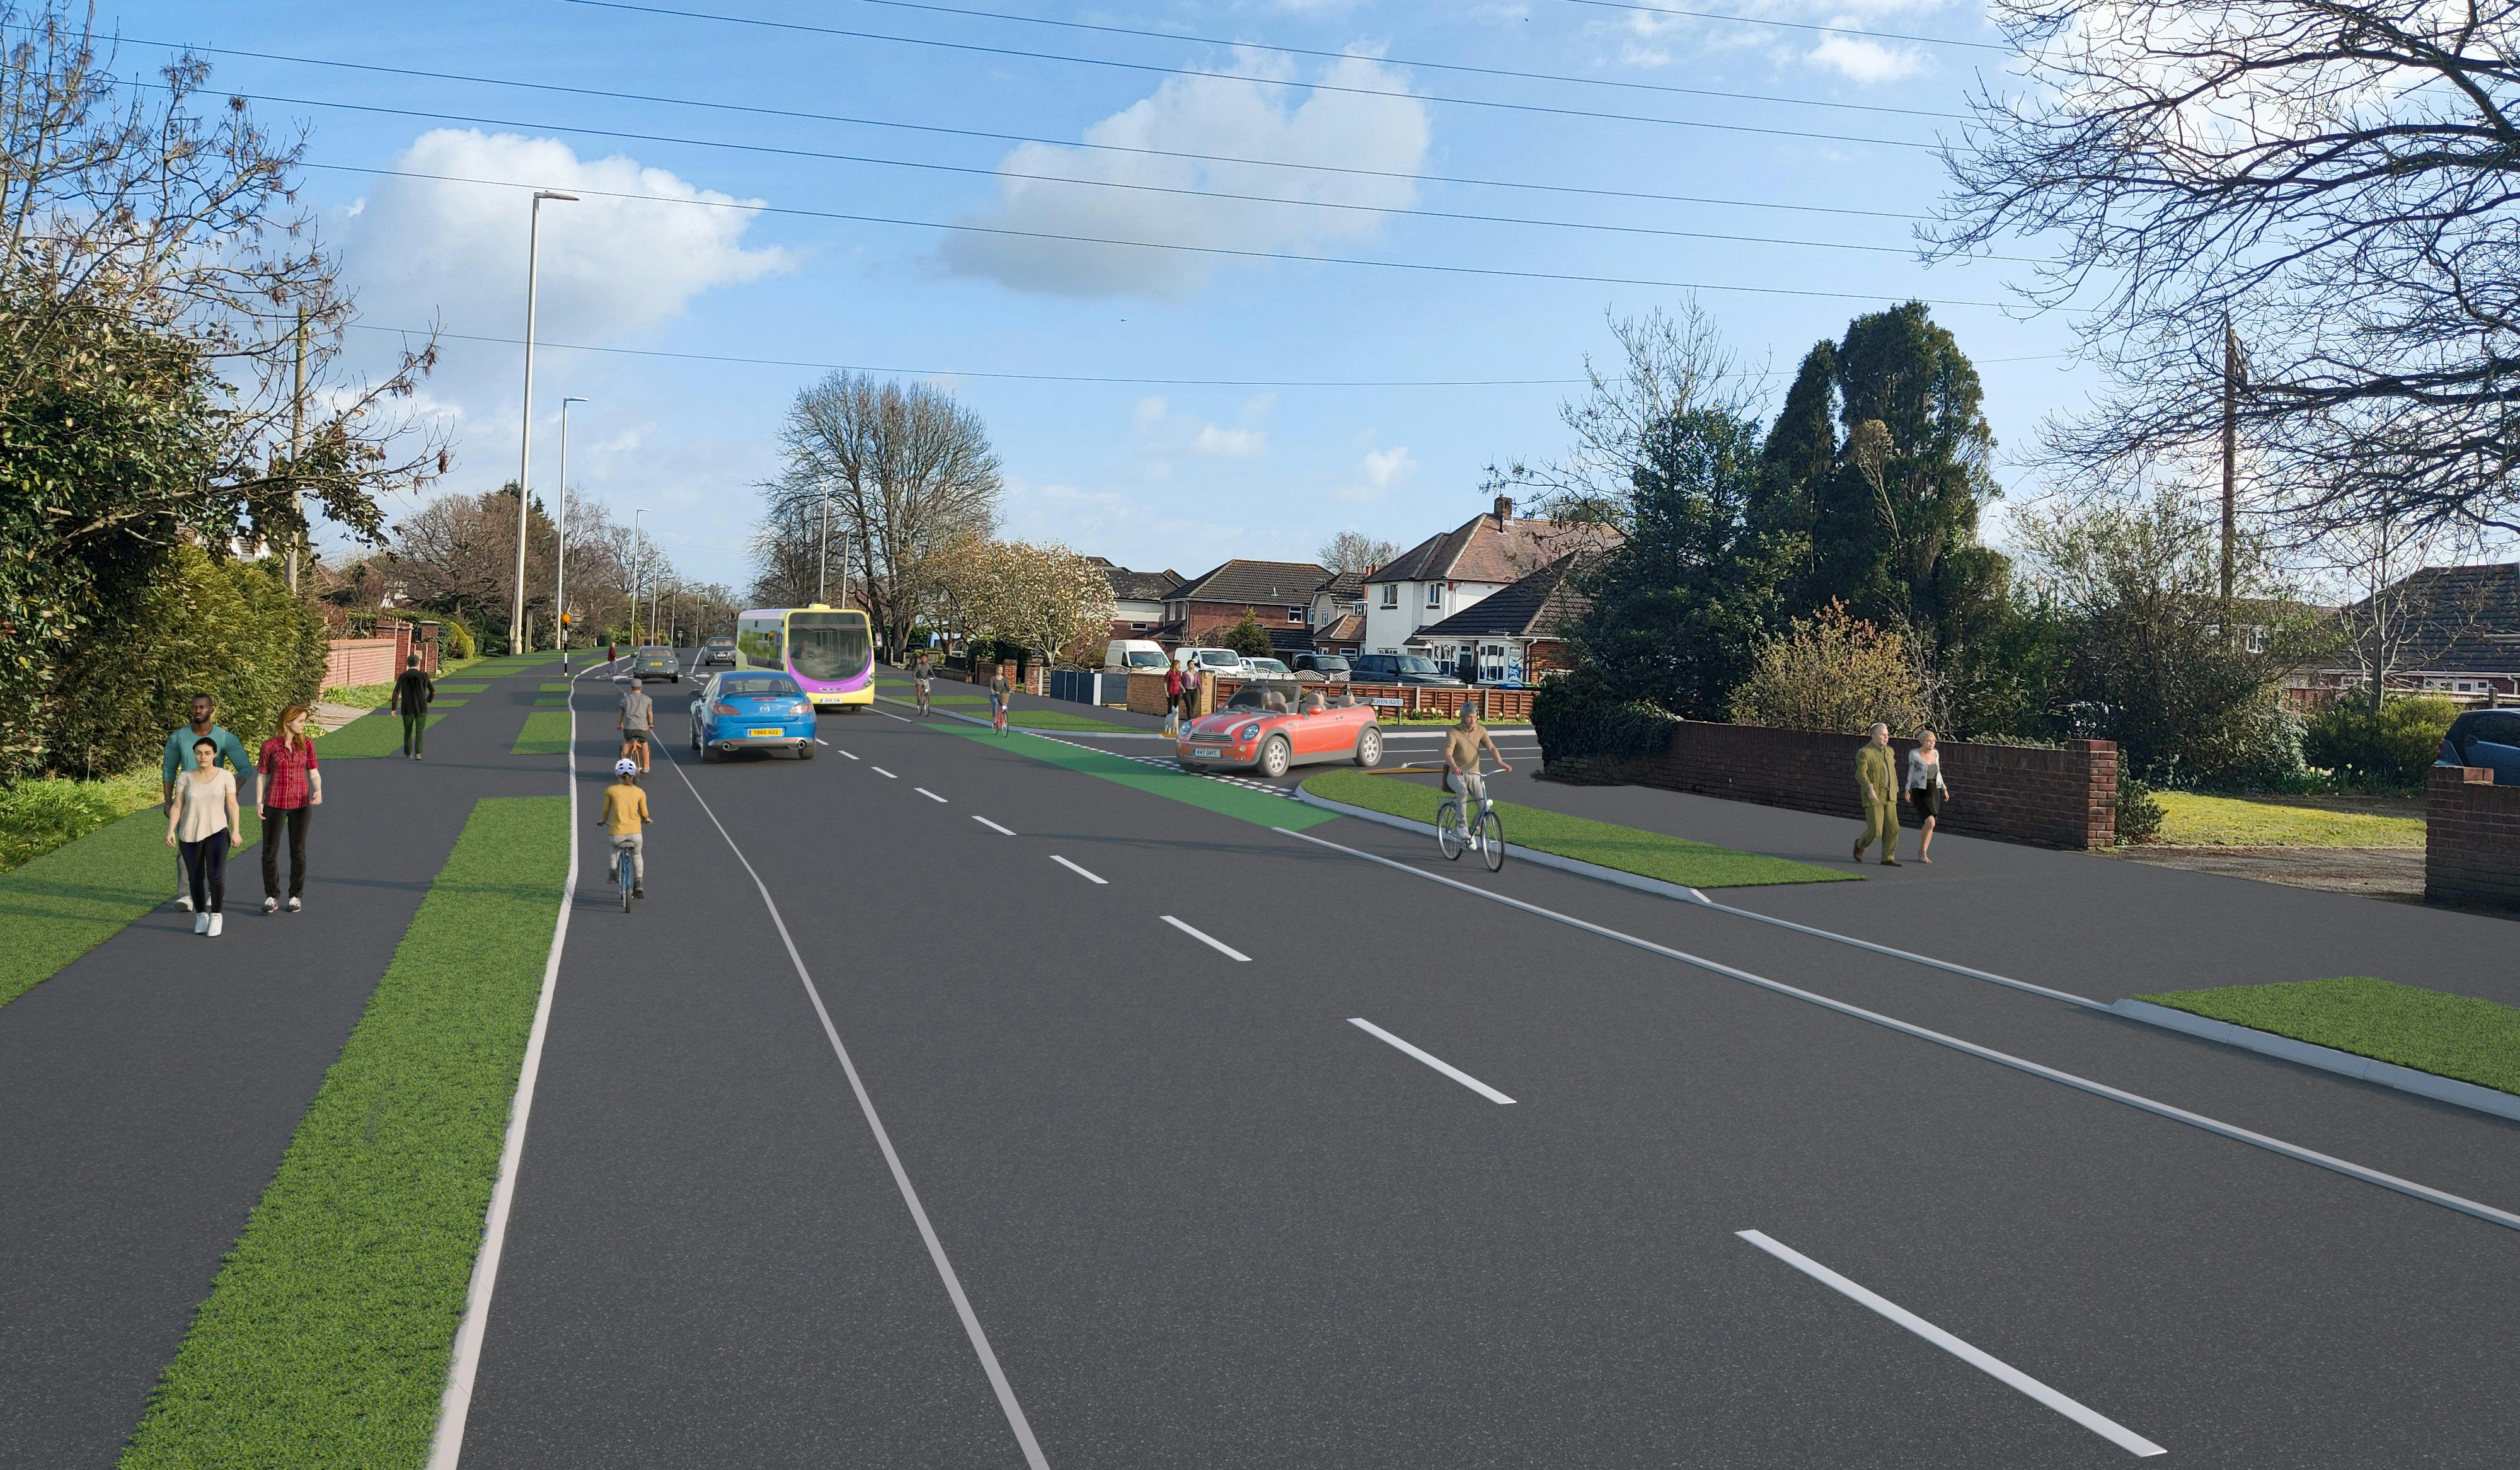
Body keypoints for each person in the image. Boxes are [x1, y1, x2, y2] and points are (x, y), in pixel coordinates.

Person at [161, 692, 251, 912]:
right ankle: (186, 895)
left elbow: (245, 768)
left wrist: (233, 790)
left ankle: (214, 891)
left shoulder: (225, 738)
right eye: (195, 707)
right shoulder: (178, 738)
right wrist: (167, 801)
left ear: (211, 709)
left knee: (216, 849)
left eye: (203, 707)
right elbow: (169, 769)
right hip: (188, 799)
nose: (198, 710)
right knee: (186, 847)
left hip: (214, 801)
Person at [166, 735, 240, 936]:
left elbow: (232, 805)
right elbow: (178, 805)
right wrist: (171, 829)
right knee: (195, 878)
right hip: (189, 834)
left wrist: (236, 830)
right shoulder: (185, 777)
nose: (203, 757)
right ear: (194, 755)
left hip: (217, 831)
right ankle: (201, 916)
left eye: (207, 753)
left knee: (215, 876)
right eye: (199, 753)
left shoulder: (225, 776)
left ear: (215, 754)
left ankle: (216, 916)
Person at [256, 705, 323, 913]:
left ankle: (295, 896)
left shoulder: (307, 745)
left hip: (301, 805)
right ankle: (272, 896)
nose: (304, 725)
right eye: (301, 721)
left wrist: (318, 789)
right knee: (269, 851)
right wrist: (259, 801)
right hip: (274, 803)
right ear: (288, 723)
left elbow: (313, 772)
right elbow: (263, 775)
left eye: (305, 721)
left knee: (298, 850)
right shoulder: (270, 746)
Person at [1443, 703, 1511, 832]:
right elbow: (1448, 753)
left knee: (1484, 806)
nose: (1473, 720)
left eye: (1475, 717)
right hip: (1456, 774)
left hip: (1475, 775)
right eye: (1469, 717)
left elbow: (1491, 747)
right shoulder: (1453, 732)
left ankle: (1474, 829)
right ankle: (1461, 826)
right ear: (1463, 717)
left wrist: (1500, 762)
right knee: (1463, 792)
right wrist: (1455, 767)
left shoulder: (1481, 730)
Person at [599, 757, 652, 897]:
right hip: (635, 834)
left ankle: (613, 873)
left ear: (617, 774)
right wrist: (646, 819)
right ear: (634, 775)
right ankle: (638, 883)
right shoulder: (640, 792)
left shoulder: (610, 790)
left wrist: (603, 820)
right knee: (637, 854)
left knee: (614, 848)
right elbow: (644, 814)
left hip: (617, 833)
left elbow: (605, 810)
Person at [1854, 722, 1900, 866]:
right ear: (1874, 736)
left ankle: (1888, 858)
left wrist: (1896, 789)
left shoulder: (1890, 752)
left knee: (1893, 828)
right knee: (1876, 831)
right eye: (1883, 735)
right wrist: (1869, 788)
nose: (1886, 737)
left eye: (1887, 735)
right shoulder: (1865, 752)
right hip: (1874, 795)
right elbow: (1860, 774)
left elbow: (1892, 773)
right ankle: (1861, 844)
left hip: (1890, 795)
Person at [1906, 728, 1950, 864]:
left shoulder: (1936, 753)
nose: (1931, 743)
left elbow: (1938, 772)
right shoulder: (1914, 754)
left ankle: (1924, 851)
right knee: (1930, 822)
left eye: (1934, 741)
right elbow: (1911, 771)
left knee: (1932, 824)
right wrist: (1907, 789)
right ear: (1922, 741)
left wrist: (1944, 788)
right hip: (1920, 791)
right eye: (1928, 741)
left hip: (1934, 791)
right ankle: (1922, 852)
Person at [389, 654, 435, 759]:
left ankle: (408, 753)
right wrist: (428, 701)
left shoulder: (403, 676)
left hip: (407, 708)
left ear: (407, 664)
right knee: (420, 731)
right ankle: (418, 754)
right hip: (422, 707)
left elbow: (396, 692)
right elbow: (433, 692)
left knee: (408, 731)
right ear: (418, 664)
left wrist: (394, 708)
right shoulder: (424, 676)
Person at [618, 678, 655, 774]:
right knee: (644, 743)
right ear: (641, 687)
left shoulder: (625, 700)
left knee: (627, 741)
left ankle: (624, 764)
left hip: (629, 728)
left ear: (631, 688)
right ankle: (645, 766)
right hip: (642, 728)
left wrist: (620, 724)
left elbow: (621, 714)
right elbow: (650, 715)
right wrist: (650, 724)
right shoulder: (648, 699)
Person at [989, 665, 1012, 735]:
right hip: (994, 696)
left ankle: (1004, 722)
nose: (1000, 671)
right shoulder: (992, 678)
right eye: (999, 670)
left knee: (1005, 707)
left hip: (1001, 696)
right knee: (995, 703)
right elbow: (991, 687)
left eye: (1001, 670)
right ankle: (995, 718)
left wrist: (1010, 691)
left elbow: (1007, 687)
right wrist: (992, 691)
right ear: (996, 670)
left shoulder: (1005, 679)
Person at [914, 652, 935, 716]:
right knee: (919, 688)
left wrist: (934, 676)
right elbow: (914, 673)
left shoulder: (928, 665)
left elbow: (931, 672)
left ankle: (926, 701)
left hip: (925, 679)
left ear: (927, 659)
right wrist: (914, 677)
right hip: (919, 679)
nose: (923, 660)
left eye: (924, 659)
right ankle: (919, 700)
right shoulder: (918, 665)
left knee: (928, 692)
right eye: (922, 659)